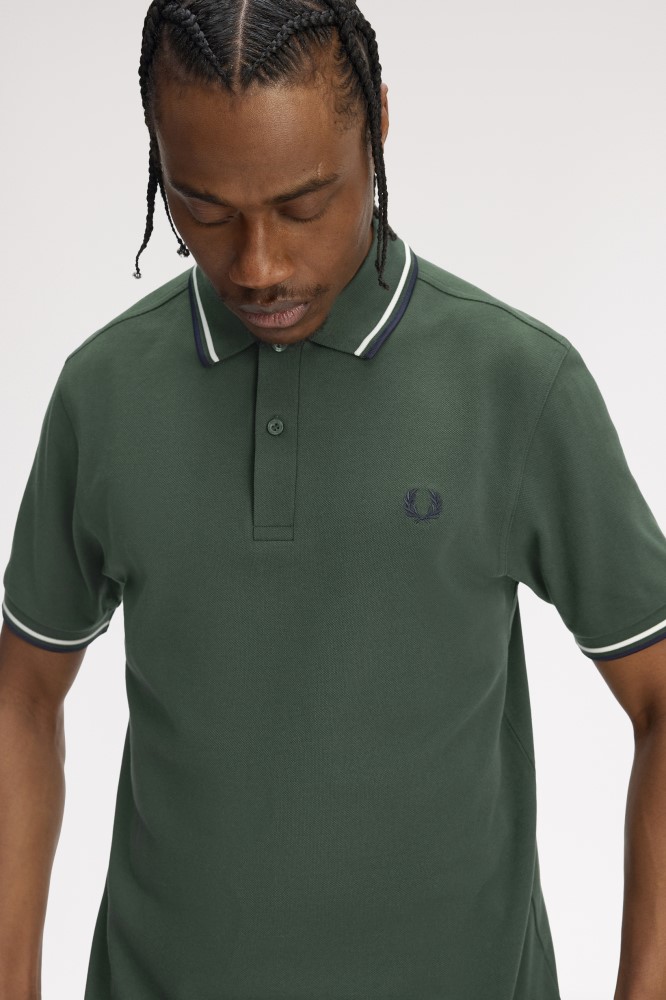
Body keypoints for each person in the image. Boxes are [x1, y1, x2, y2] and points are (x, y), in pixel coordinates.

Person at [1, 2, 666, 998]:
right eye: (204, 210)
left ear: (378, 126)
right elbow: (22, 694)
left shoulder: (519, 384)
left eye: (304, 205)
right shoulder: (105, 393)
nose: (258, 266)